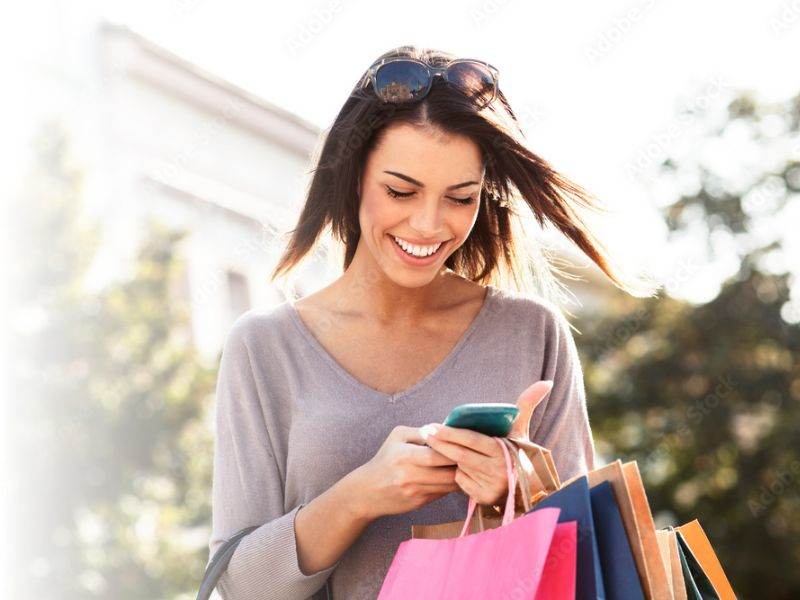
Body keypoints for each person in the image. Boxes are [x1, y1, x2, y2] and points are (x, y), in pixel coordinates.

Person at [206, 45, 658, 600]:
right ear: (352, 177)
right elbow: (240, 587)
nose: (428, 225)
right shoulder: (265, 347)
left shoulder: (532, 335)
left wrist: (517, 492)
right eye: (401, 191)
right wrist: (361, 496)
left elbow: (590, 566)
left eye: (460, 198)